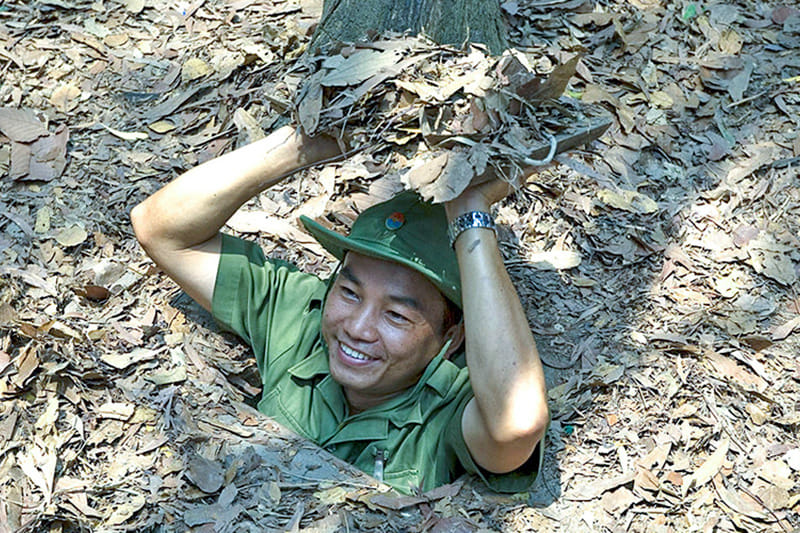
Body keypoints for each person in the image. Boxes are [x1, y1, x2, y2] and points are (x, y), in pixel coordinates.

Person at [130, 125, 549, 494]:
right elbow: (160, 229)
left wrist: (470, 211)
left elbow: (517, 422)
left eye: (396, 315)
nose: (358, 328)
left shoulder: (449, 408)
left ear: (452, 336)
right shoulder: (300, 316)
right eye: (350, 292)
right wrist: (307, 142)